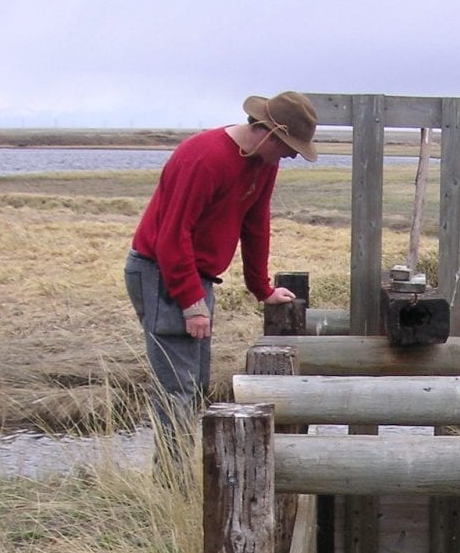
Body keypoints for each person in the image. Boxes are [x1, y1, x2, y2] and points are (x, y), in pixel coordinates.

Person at [124, 90, 318, 468]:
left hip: (195, 277)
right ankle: (171, 482)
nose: (291, 155)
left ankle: (180, 474)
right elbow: (172, 235)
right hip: (162, 272)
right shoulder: (205, 158)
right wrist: (191, 302)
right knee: (176, 389)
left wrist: (261, 287)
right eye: (289, 147)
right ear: (269, 133)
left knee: (194, 385)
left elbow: (255, 222)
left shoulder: (263, 162)